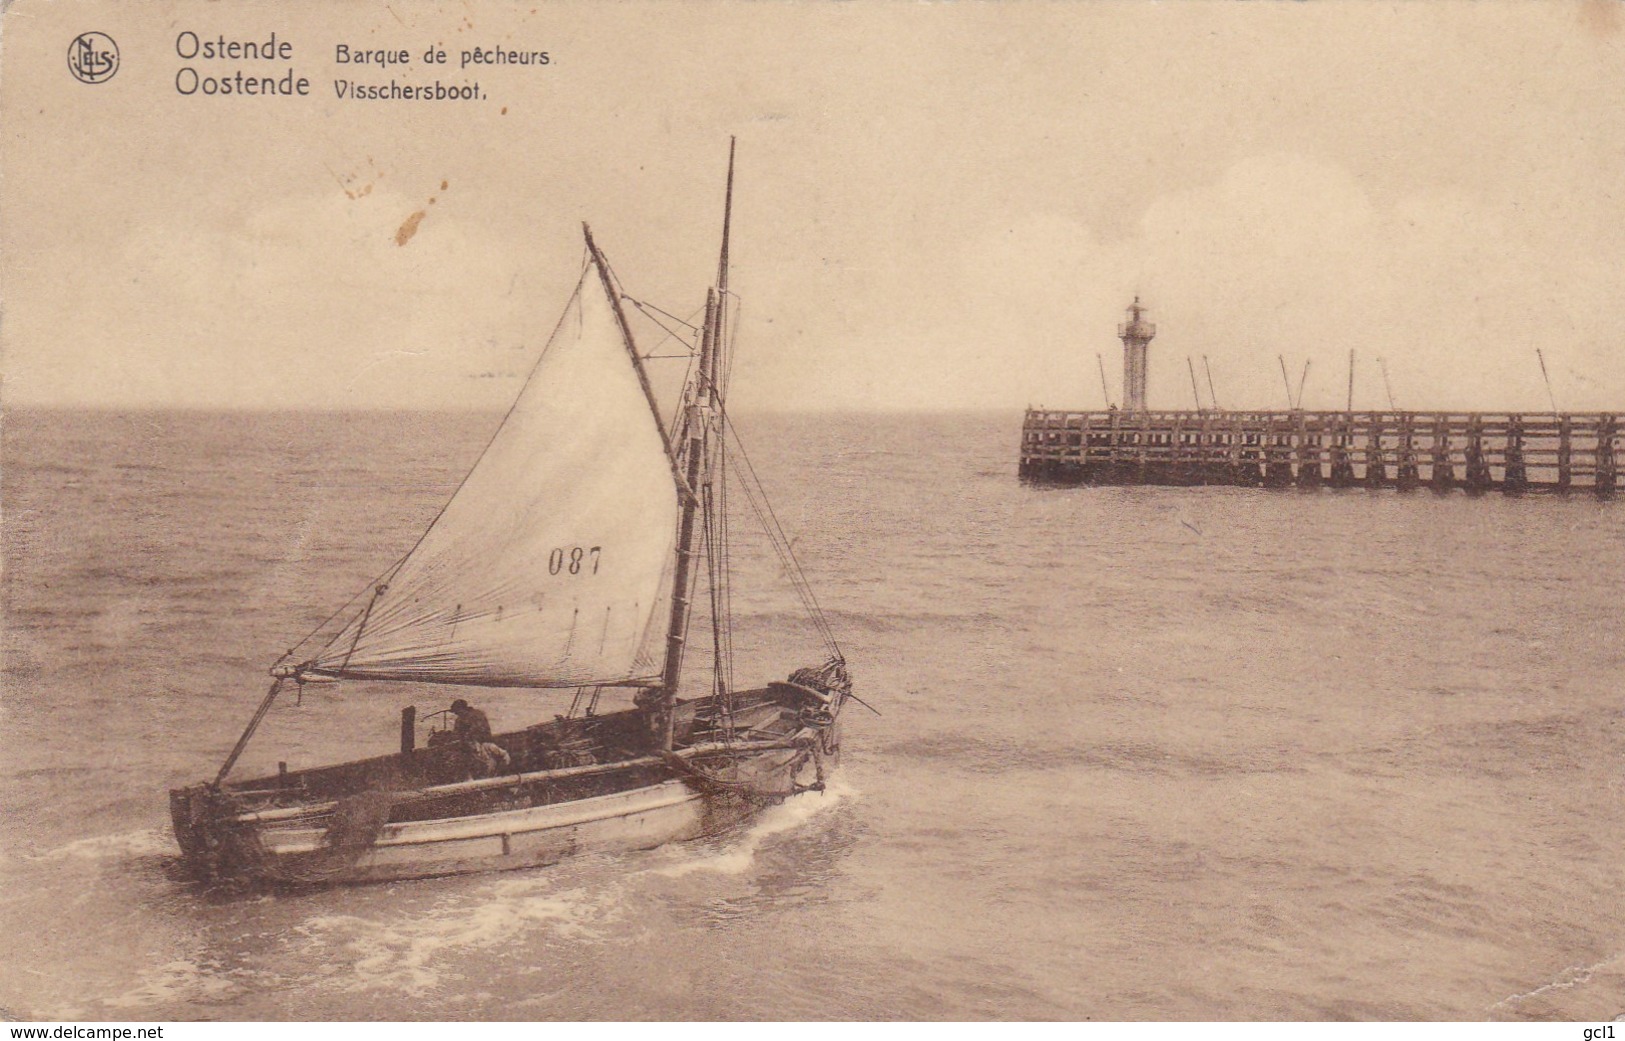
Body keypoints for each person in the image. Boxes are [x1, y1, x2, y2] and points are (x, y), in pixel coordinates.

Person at [448, 698, 508, 777]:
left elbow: (505, 757)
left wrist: (499, 773)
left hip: (482, 742)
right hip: (472, 747)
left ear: (462, 709)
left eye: (457, 712)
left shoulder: (476, 715)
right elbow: (456, 734)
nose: (457, 714)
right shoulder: (459, 720)